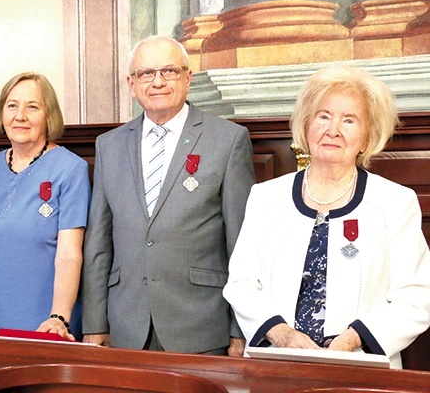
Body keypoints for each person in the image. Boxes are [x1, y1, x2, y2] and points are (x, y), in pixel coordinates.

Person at [223, 65, 430, 368]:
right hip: (276, 363)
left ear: (367, 135)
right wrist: (281, 335)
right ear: (306, 126)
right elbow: (241, 284)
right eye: (323, 116)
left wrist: (350, 341)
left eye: (349, 120)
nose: (333, 130)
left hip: (362, 366)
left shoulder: (395, 203)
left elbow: (416, 297)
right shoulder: (266, 198)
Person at [82, 35, 256, 355]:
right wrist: (95, 324)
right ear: (131, 84)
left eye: (170, 72)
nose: (158, 82)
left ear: (188, 79)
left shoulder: (228, 140)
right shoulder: (109, 145)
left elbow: (242, 243)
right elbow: (98, 244)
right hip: (126, 327)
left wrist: (240, 328)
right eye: (147, 73)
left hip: (201, 327)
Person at [0, 72, 90, 341]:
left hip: (47, 322)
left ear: (49, 114)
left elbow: (69, 254)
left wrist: (58, 317)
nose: (20, 116)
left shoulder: (71, 168)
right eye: (12, 105)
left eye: (33, 107)